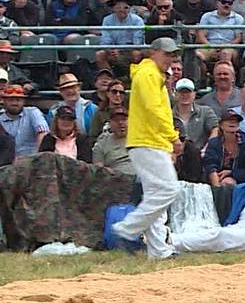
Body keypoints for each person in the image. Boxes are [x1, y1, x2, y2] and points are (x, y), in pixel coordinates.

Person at [110, 38, 182, 260]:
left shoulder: (152, 75)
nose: (170, 59)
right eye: (167, 54)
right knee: (169, 190)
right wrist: (173, 137)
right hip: (148, 141)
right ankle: (127, 229)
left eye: (173, 55)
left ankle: (159, 251)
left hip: (149, 141)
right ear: (153, 53)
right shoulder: (148, 74)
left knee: (155, 196)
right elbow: (154, 110)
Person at [204, 109, 245, 189]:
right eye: (228, 120)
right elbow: (210, 165)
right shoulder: (214, 143)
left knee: (228, 183)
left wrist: (232, 173)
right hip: (216, 179)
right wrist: (217, 187)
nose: (232, 122)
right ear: (221, 125)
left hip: (241, 182)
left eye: (235, 121)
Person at [0, 84, 48, 157]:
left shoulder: (32, 112)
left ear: (24, 101)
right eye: (11, 100)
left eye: (18, 100)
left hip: (31, 161)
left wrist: (39, 157)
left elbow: (43, 133)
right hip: (6, 164)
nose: (14, 103)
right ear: (3, 101)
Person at [172, 78, 218, 150]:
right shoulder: (168, 115)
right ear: (175, 94)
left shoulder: (206, 111)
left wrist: (207, 148)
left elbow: (216, 129)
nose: (184, 95)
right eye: (181, 92)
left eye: (188, 92)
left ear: (194, 94)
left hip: (200, 154)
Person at [91, 106, 134, 175]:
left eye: (124, 119)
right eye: (116, 120)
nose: (120, 123)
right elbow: (98, 170)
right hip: (116, 179)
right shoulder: (101, 144)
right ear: (109, 123)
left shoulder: (140, 139)